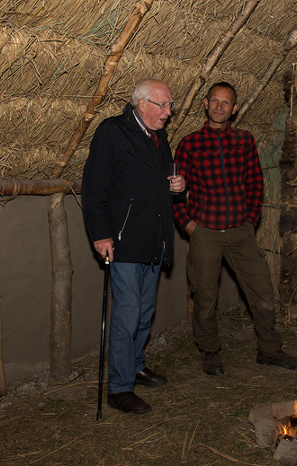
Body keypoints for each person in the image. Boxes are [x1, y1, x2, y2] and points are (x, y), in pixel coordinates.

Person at [173, 82, 297, 376]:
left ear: (234, 108)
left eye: (226, 103)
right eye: (215, 101)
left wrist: (250, 219)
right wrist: (189, 225)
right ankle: (210, 353)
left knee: (261, 292)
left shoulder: (244, 141)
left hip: (241, 233)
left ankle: (270, 350)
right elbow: (175, 190)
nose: (220, 107)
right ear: (206, 103)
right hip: (205, 232)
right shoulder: (189, 144)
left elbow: (255, 183)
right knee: (205, 298)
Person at [81, 78, 185, 414]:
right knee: (127, 314)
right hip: (123, 241)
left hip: (153, 239)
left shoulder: (160, 138)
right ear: (142, 104)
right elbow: (93, 187)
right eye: (164, 105)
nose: (169, 112)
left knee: (144, 311)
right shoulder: (112, 131)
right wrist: (100, 234)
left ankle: (135, 365)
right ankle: (119, 388)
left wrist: (177, 187)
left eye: (170, 106)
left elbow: (158, 186)